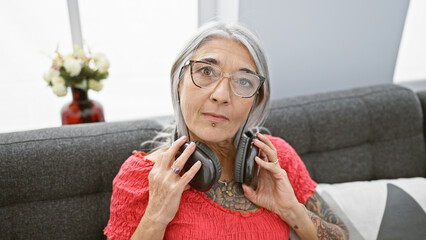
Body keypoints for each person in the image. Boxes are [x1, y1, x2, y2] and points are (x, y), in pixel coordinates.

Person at [104, 22, 349, 240]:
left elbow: (342, 235)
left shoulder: (273, 158)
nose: (221, 95)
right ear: (179, 82)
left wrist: (290, 210)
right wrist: (155, 216)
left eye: (243, 81)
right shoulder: (142, 177)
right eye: (206, 71)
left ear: (255, 99)